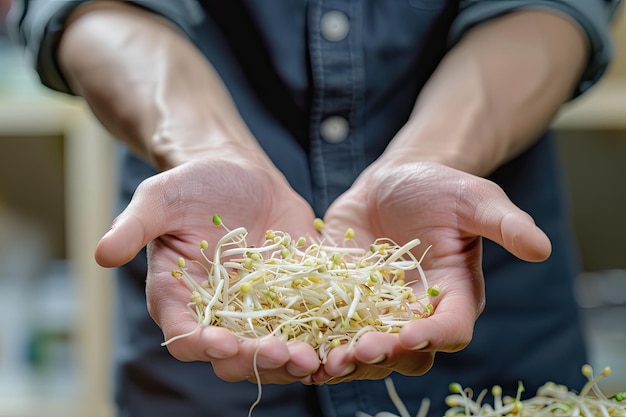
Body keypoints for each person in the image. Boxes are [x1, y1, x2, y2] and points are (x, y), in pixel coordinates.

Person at [9, 1, 621, 416]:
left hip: (481, 307)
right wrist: (207, 148)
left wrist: (439, 155)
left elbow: (551, 5)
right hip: (207, 295)